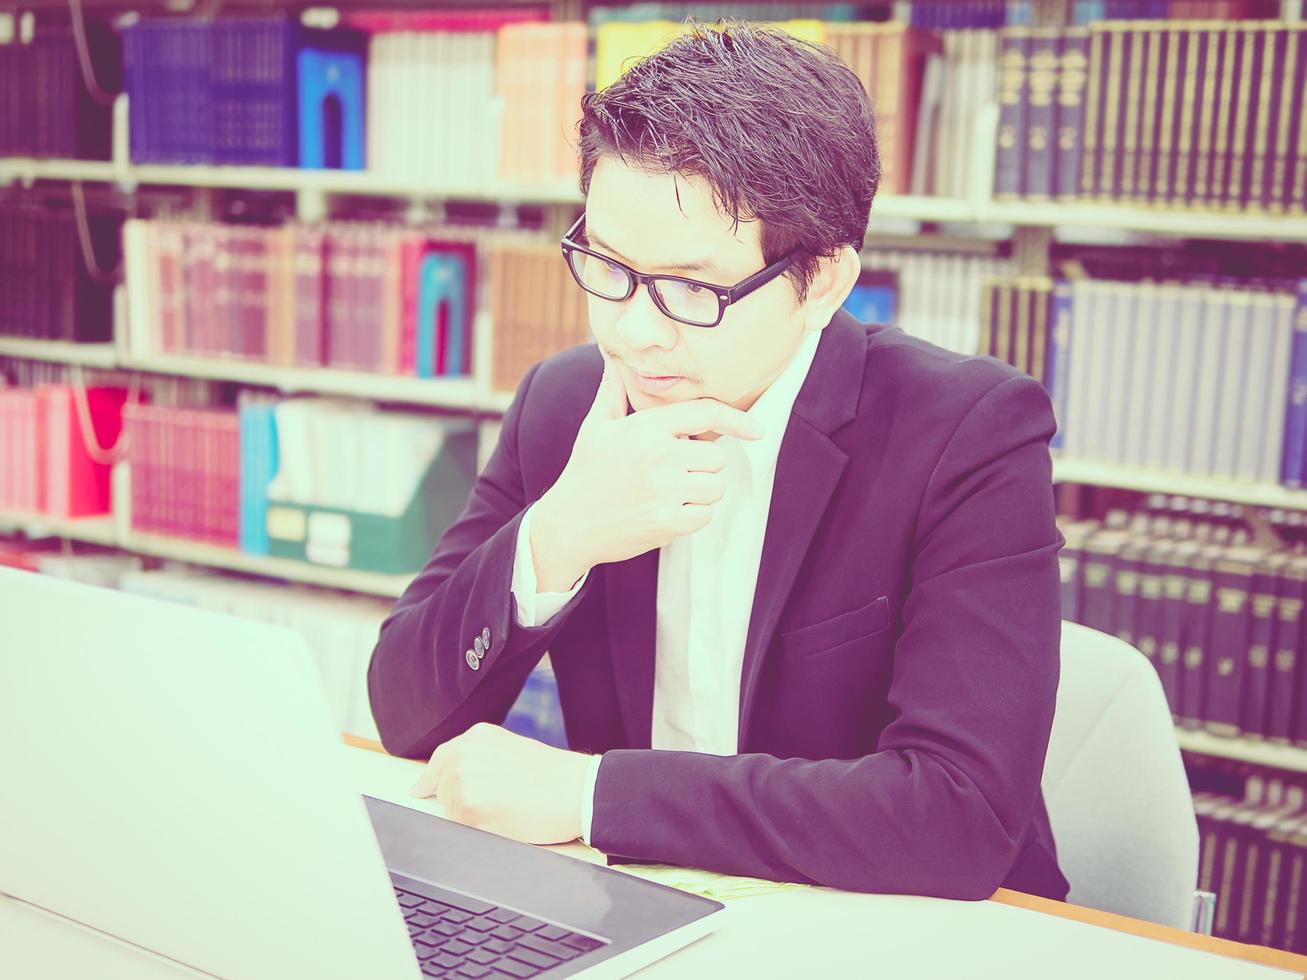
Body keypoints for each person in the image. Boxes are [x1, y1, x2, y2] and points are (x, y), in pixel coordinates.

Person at [368, 20, 1070, 902]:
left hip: (894, 928)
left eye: (692, 289)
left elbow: (956, 819)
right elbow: (401, 714)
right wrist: (558, 536)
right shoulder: (569, 403)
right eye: (608, 267)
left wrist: (591, 794)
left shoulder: (966, 433)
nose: (632, 331)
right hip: (646, 906)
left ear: (820, 281)